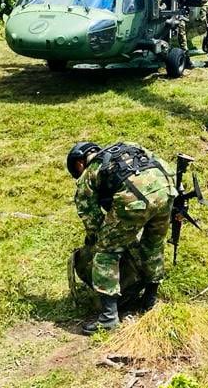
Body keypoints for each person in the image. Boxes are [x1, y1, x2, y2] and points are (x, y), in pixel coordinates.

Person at [66, 141, 176, 334]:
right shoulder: (126, 148)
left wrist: (103, 240)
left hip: (135, 200)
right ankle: (149, 302)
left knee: (105, 253)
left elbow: (91, 220)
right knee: (153, 245)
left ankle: (108, 318)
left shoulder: (90, 172)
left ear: (79, 163)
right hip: (166, 189)